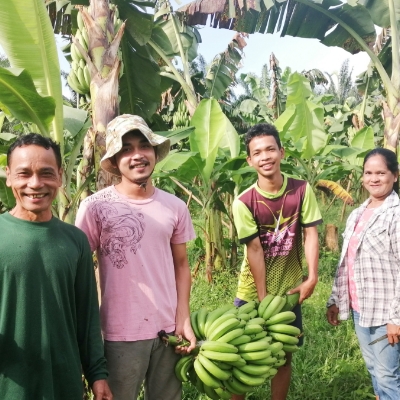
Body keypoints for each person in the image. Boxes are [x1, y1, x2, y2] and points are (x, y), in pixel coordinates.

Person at [75, 114, 196, 400]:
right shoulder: (95, 207)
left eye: (144, 146)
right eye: (126, 149)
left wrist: (183, 318)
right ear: (115, 161)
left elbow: (181, 266)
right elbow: (77, 267)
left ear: (154, 152)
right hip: (120, 332)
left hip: (168, 330)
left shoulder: (175, 207)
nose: (137, 155)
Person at [0, 133, 112, 399]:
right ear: (8, 176)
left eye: (46, 173)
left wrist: (97, 375)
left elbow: (87, 316)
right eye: (24, 173)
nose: (35, 184)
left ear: (60, 176)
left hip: (65, 383)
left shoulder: (75, 240)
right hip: (9, 385)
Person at [231, 123, 322, 400]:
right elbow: (255, 250)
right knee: (242, 358)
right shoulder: (244, 202)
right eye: (257, 152)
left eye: (270, 149)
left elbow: (310, 234)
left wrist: (312, 277)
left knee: (283, 358)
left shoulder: (301, 190)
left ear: (281, 152)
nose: (265, 156)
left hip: (290, 291)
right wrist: (263, 300)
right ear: (249, 160)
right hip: (251, 293)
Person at [326, 148, 400, 400]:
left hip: (385, 313)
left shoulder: (396, 215)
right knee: (374, 369)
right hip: (360, 309)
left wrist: (396, 317)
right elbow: (345, 262)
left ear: (395, 176)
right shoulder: (357, 214)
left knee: (388, 375)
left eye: (381, 172)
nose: (374, 178)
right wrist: (334, 300)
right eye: (369, 173)